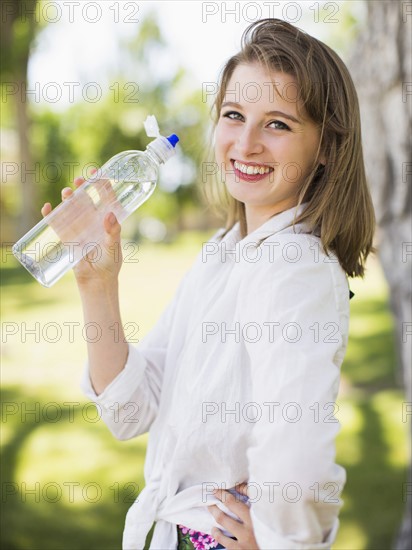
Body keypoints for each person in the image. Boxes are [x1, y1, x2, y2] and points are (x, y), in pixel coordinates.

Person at [42, 18, 375, 550]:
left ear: (327, 147)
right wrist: (96, 284)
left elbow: (296, 441)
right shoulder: (222, 256)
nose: (246, 143)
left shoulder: (294, 268)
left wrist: (280, 541)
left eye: (278, 124)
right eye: (234, 115)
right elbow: (133, 409)